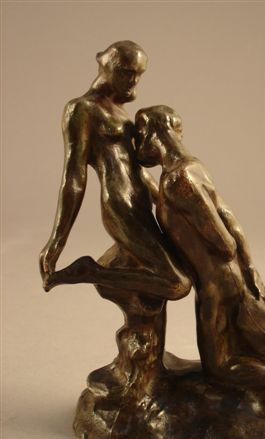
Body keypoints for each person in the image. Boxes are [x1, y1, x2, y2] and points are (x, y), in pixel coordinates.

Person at [134, 105, 265, 421]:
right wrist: (250, 268)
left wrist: (190, 252)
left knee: (221, 366)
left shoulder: (177, 181)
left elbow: (223, 240)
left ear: (152, 134)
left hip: (217, 285)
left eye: (138, 137)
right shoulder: (191, 168)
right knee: (248, 344)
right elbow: (232, 221)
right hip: (225, 280)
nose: (137, 146)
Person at [39, 42, 190, 303]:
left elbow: (137, 170)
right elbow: (74, 177)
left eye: (138, 74)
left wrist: (167, 201)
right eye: (126, 72)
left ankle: (139, 322)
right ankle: (90, 271)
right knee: (177, 284)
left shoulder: (120, 111)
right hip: (121, 205)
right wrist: (57, 240)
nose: (133, 81)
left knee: (155, 277)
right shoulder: (82, 109)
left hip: (141, 202)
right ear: (104, 65)